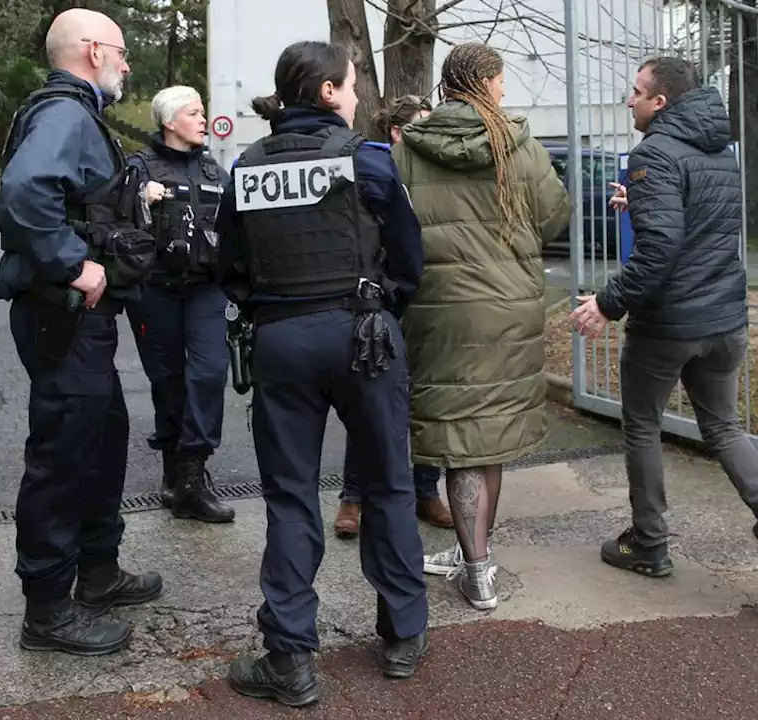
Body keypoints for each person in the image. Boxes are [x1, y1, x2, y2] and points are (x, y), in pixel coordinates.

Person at [214, 40, 430, 707]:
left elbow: (231, 269)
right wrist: (377, 306)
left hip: (282, 341)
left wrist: (275, 311)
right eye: (353, 82)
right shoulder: (368, 161)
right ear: (329, 93)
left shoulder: (246, 167)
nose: (359, 93)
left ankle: (290, 662)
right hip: (364, 336)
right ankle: (400, 638)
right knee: (391, 486)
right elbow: (410, 259)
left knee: (290, 497)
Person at [570, 56, 758, 619]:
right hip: (723, 319)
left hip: (669, 326)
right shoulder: (718, 151)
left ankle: (649, 544)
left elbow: (657, 254)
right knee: (725, 428)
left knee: (642, 426)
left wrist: (605, 304)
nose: (628, 100)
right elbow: (704, 220)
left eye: (636, 92)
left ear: (660, 102)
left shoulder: (653, 152)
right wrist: (642, 201)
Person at [0, 7, 162, 657]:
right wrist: (75, 264)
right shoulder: (65, 112)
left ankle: (98, 573)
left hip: (72, 316)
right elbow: (25, 192)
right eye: (119, 51)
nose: (125, 62)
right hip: (60, 312)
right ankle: (47, 613)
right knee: (64, 456)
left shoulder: (71, 112)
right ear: (92, 51)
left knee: (103, 434)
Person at [391, 42, 571, 611]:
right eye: (500, 79)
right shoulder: (518, 144)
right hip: (510, 309)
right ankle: (478, 563)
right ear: (485, 81)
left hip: (438, 310)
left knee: (461, 437)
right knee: (485, 433)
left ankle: (476, 560)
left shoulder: (410, 150)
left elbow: (389, 228)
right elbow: (555, 216)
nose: (504, 90)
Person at [333, 93, 453, 539]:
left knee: (426, 400)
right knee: (368, 399)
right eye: (424, 127)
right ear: (399, 133)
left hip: (430, 296)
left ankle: (427, 491)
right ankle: (353, 496)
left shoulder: (440, 172)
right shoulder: (376, 166)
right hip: (381, 299)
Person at [124, 85, 236, 524]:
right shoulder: (139, 167)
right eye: (194, 113)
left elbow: (235, 227)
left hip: (206, 289)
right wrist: (140, 200)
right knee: (167, 380)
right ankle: (175, 470)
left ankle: (192, 471)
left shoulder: (215, 170)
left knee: (209, 372)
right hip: (154, 289)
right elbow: (112, 220)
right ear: (170, 122)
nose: (203, 120)